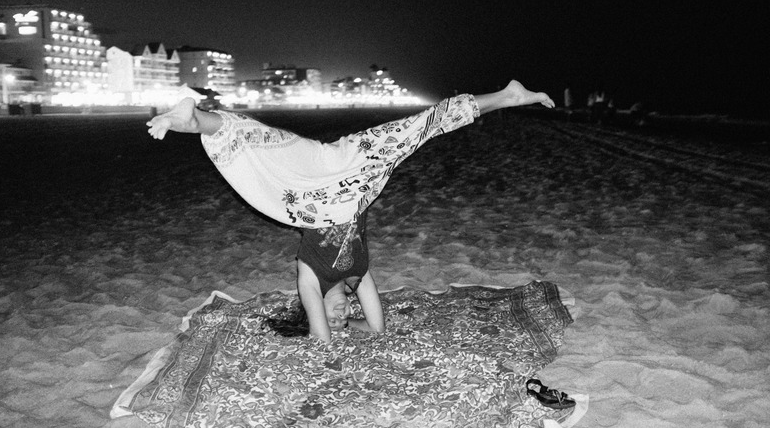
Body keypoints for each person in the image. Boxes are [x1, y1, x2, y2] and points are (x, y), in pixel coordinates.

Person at [147, 80, 555, 342]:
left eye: (333, 317)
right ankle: (508, 96)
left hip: (310, 190)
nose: (342, 316)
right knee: (417, 128)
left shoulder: (311, 279)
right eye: (346, 318)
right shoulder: (359, 276)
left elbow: (321, 339)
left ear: (316, 309)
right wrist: (352, 331)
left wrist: (326, 333)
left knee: (267, 148)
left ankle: (195, 117)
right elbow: (376, 328)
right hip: (353, 181)